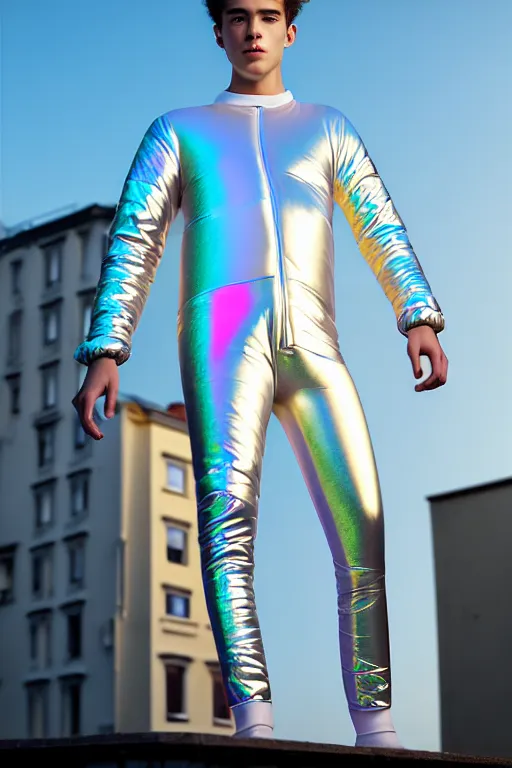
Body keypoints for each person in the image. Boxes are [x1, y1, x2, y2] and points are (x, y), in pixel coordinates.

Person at [73, 0, 448, 749]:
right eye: (238, 16)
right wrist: (107, 349)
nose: (253, 29)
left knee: (362, 529)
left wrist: (419, 316)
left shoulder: (328, 126)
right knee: (226, 526)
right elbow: (136, 236)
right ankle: (255, 719)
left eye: (268, 15)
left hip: (316, 350)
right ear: (218, 31)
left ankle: (376, 729)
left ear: (290, 30)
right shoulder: (178, 130)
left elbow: (379, 221)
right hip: (221, 343)